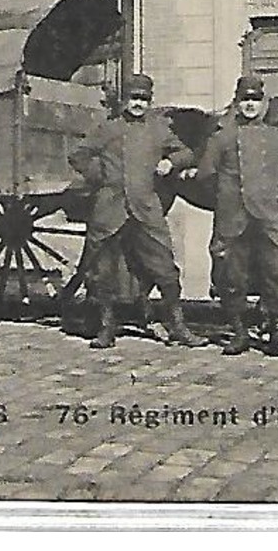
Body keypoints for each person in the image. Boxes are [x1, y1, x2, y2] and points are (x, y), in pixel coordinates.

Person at [67, 73, 204, 350]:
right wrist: (102, 175)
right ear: (124, 100)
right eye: (133, 98)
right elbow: (78, 155)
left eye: (143, 99)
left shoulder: (158, 129)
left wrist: (171, 162)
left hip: (146, 208)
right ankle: (107, 328)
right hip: (110, 209)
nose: (138, 103)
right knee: (102, 272)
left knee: (165, 268)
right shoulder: (107, 128)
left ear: (149, 101)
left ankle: (177, 326)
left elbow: (187, 153)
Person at [194, 75, 278, 358]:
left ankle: (277, 333)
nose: (250, 105)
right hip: (233, 217)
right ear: (237, 103)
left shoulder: (276, 136)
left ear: (263, 104)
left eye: (255, 100)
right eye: (245, 100)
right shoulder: (221, 137)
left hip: (266, 217)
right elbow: (205, 175)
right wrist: (225, 197)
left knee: (275, 272)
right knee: (232, 275)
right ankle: (239, 332)